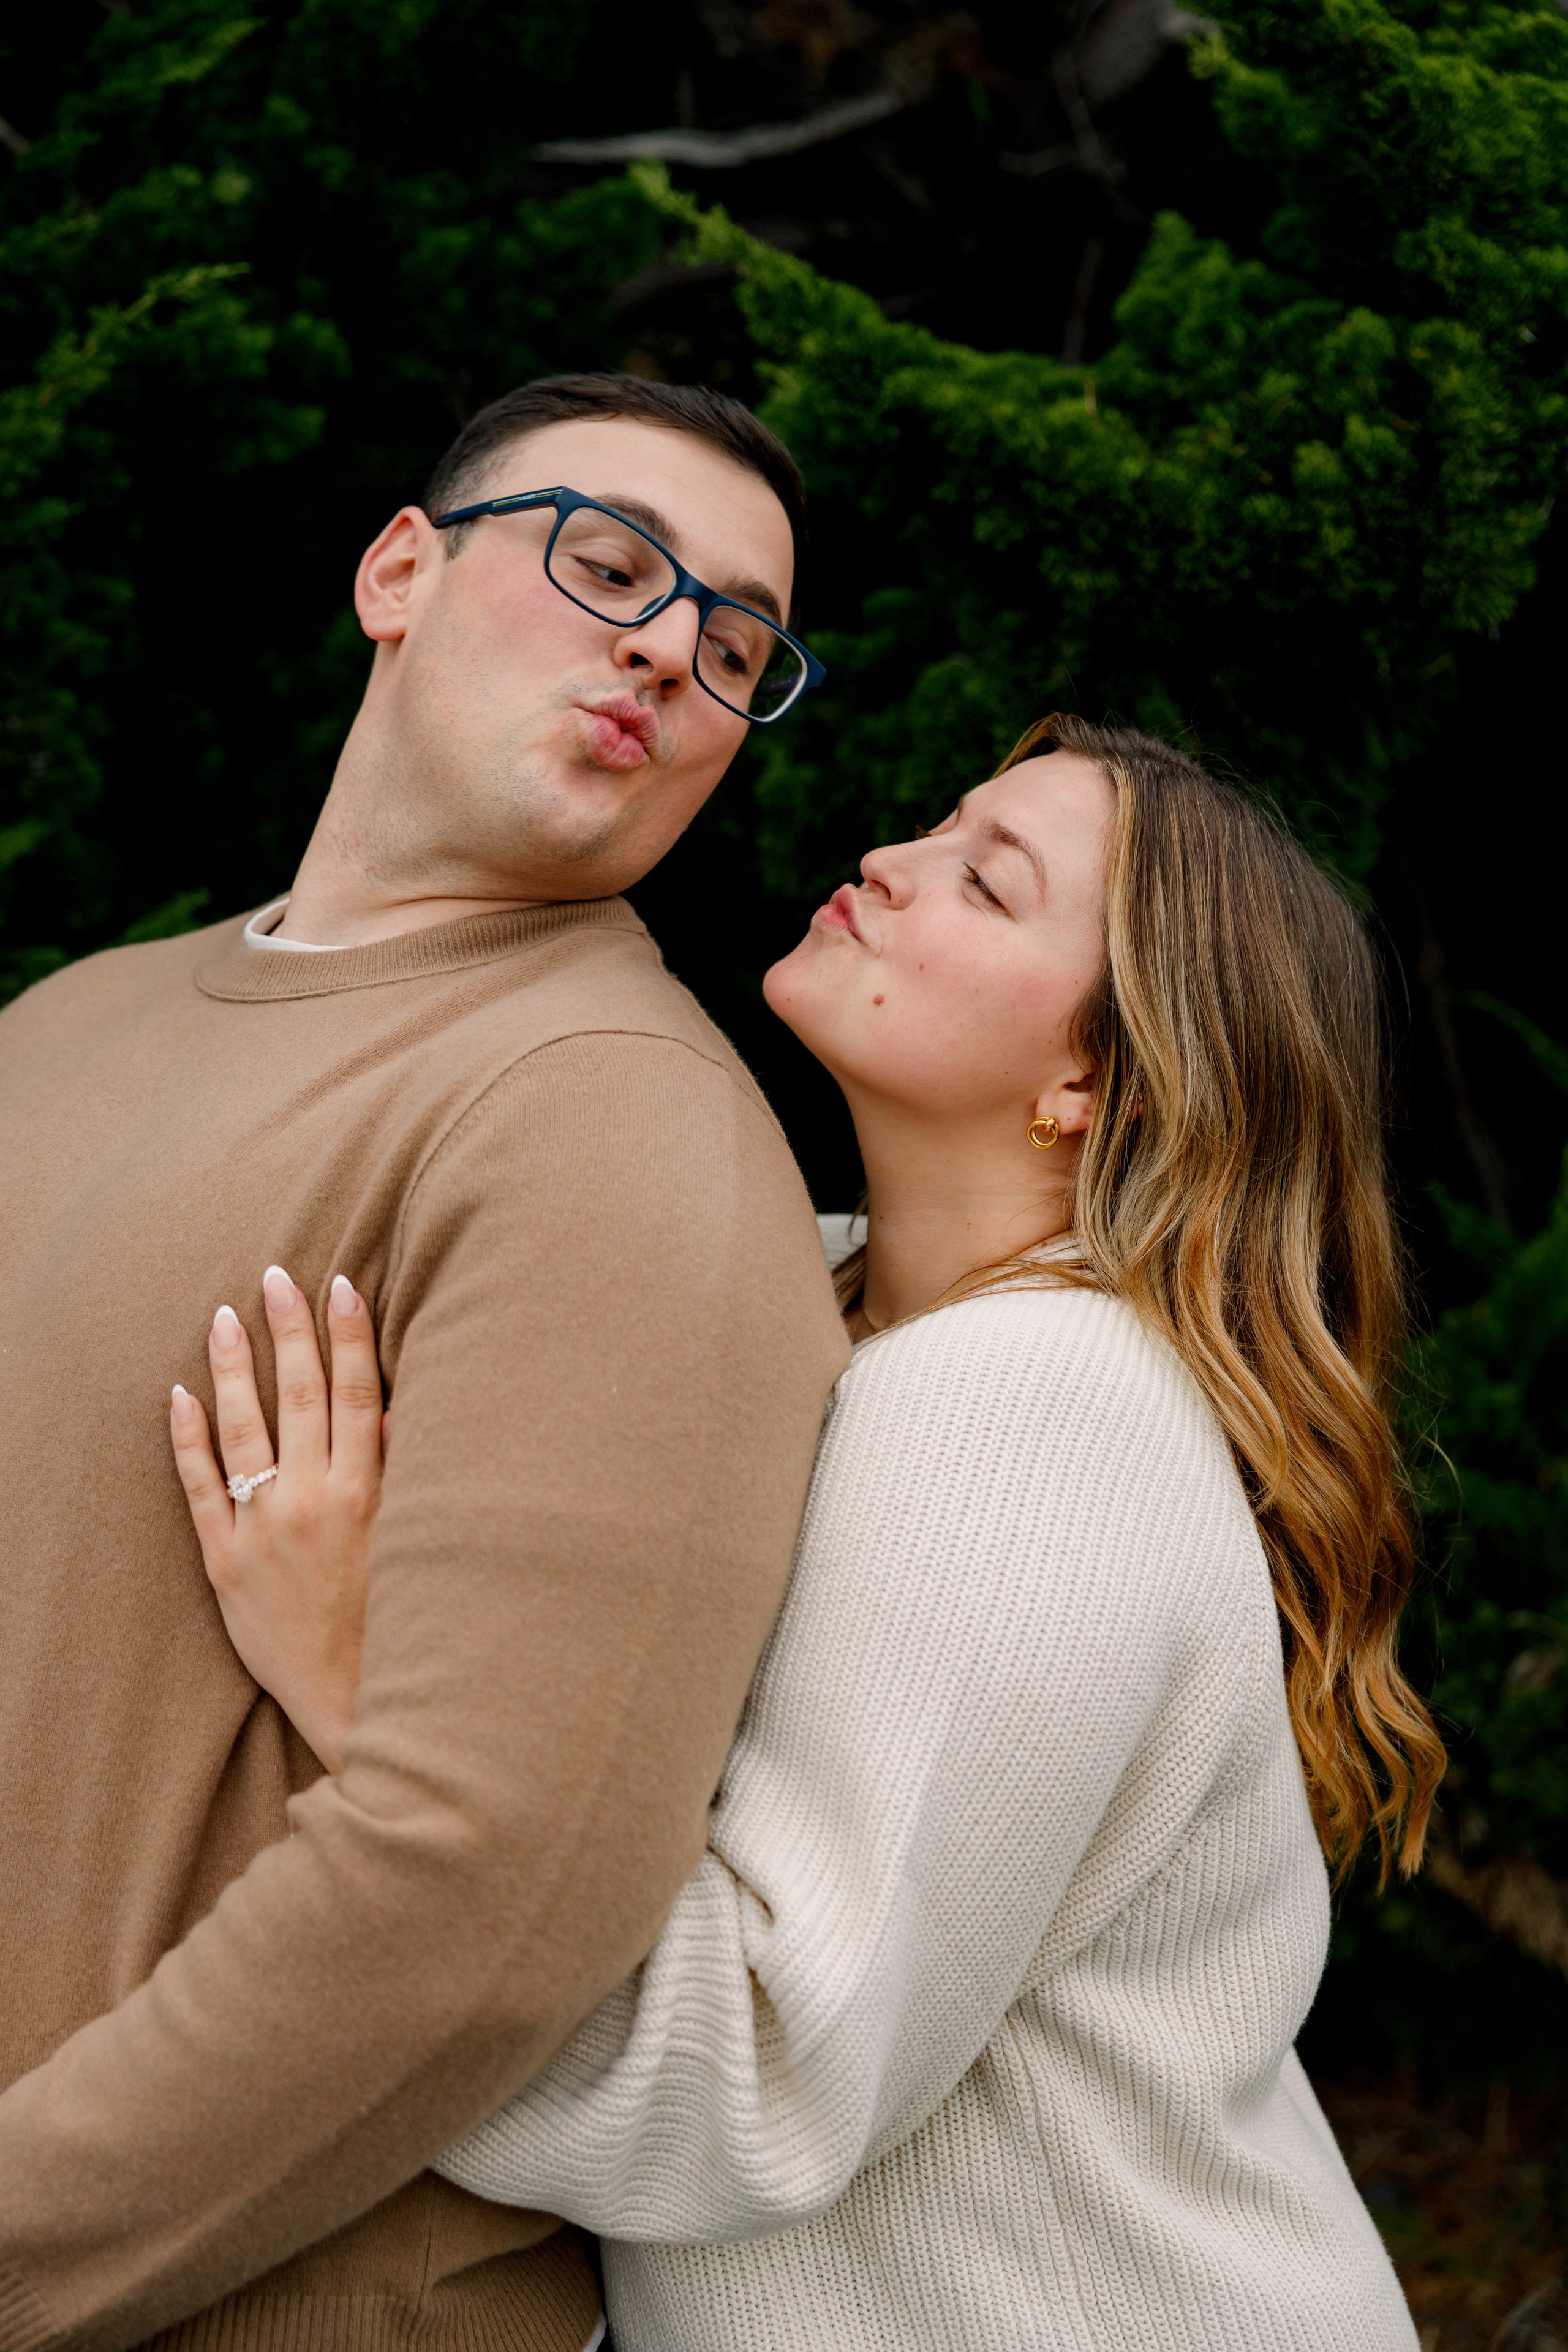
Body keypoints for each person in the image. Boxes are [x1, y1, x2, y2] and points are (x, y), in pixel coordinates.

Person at [163, 714, 1442, 2351]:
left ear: (1089, 1082)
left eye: (986, 882)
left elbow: (751, 2083)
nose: (891, 863)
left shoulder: (1035, 1408)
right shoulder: (823, 1312)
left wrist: (356, 1692)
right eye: (941, 823)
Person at [0, 377, 850, 2352]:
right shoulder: (69, 1023)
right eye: (607, 563)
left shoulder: (612, 1126)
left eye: (735, 646)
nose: (664, 645)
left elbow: (485, 1903)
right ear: (400, 570)